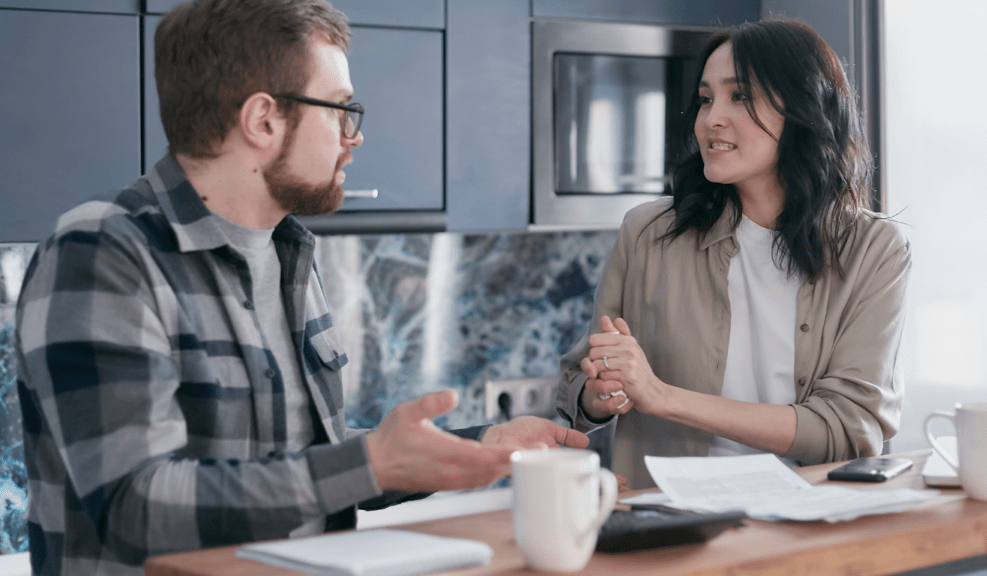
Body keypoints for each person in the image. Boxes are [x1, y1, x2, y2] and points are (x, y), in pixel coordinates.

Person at [14, 0, 588, 574]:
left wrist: (475, 444)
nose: (353, 137)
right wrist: (371, 463)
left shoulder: (288, 253)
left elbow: (298, 466)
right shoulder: (102, 254)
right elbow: (133, 506)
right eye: (340, 109)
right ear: (263, 120)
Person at [556, 19, 910, 489]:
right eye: (706, 98)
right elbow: (574, 390)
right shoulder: (646, 232)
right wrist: (599, 393)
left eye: (739, 96)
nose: (711, 119)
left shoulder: (875, 249)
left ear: (803, 109)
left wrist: (661, 396)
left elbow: (847, 430)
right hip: (671, 523)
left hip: (805, 526)